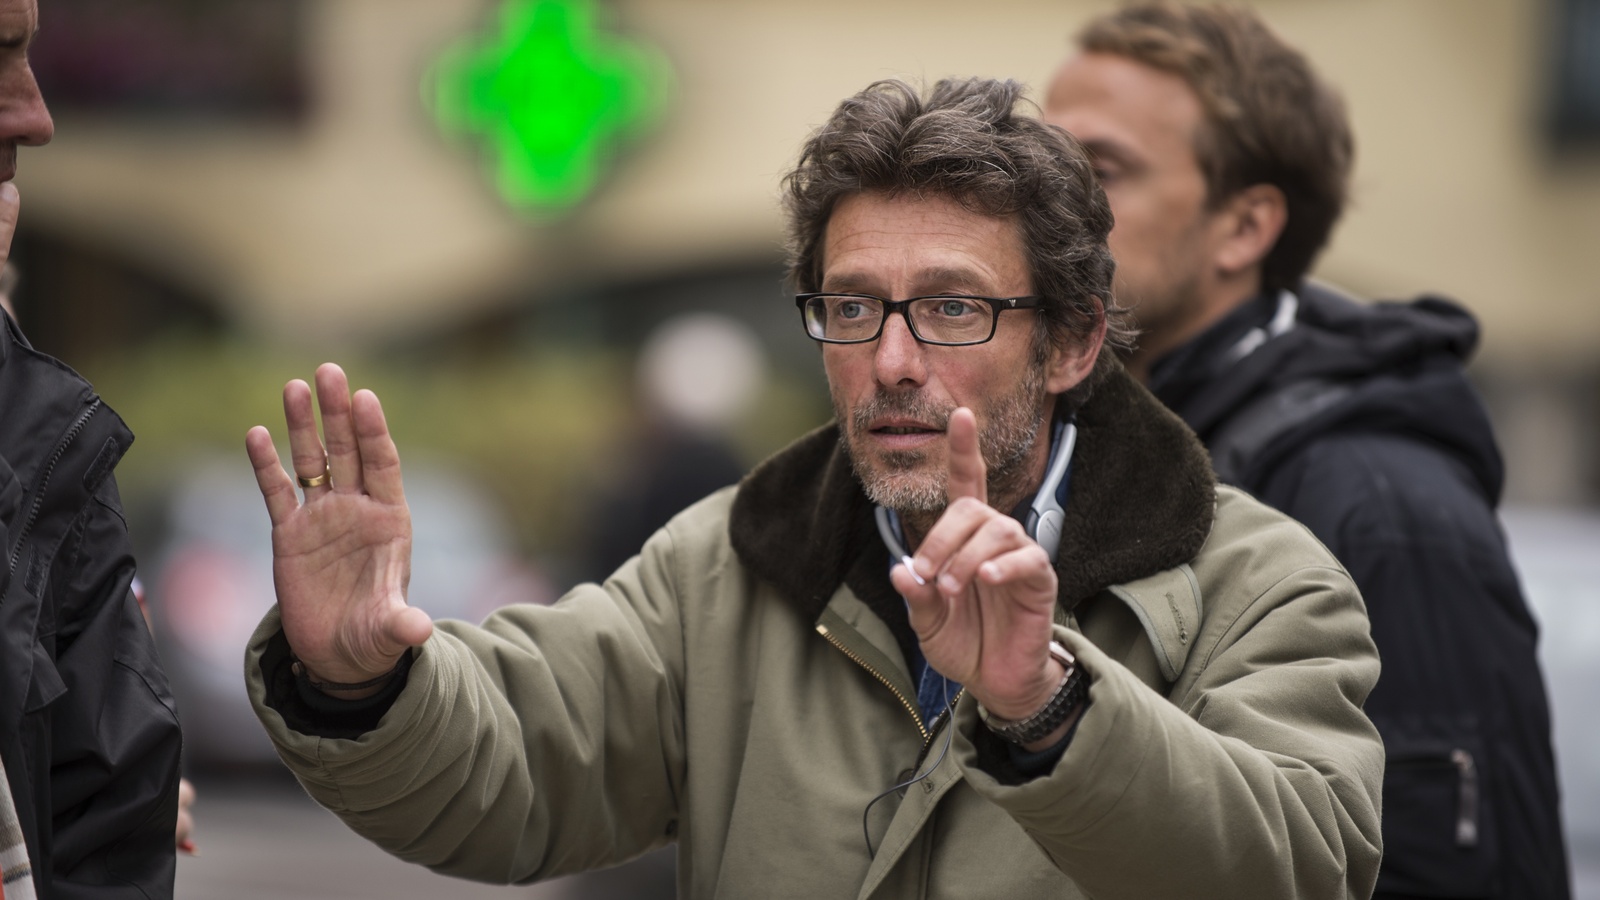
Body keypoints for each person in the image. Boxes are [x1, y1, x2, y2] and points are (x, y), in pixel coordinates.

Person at [243, 77, 1384, 899]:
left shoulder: (1259, 585)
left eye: (952, 307)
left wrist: (1047, 707)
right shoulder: (725, 567)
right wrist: (358, 682)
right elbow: (513, 773)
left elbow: (1306, 868)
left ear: (1074, 342)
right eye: (851, 307)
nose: (890, 360)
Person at [1043, 5, 1569, 899]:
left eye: (1101, 172)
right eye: (1045, 167)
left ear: (1245, 227)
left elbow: (1436, 868)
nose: (1050, 210)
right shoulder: (1088, 452)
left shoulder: (1379, 502)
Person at [0, 1, 183, 897]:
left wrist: (354, 690)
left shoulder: (45, 436)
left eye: (28, 51)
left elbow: (105, 831)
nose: (36, 115)